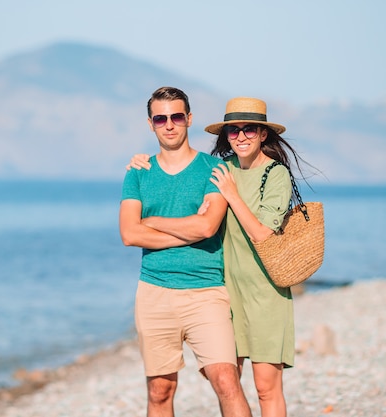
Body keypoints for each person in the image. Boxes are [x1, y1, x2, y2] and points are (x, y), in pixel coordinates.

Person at [130, 97, 311, 417]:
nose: (241, 136)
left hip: (265, 291)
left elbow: (261, 234)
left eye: (250, 129)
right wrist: (140, 161)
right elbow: (187, 200)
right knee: (232, 383)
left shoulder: (275, 173)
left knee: (266, 387)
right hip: (228, 290)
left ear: (263, 134)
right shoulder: (221, 169)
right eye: (234, 131)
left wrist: (230, 195)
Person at [119, 86, 252, 417]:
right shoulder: (138, 172)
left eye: (176, 116)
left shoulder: (215, 169)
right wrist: (189, 228)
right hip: (154, 293)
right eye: (160, 118)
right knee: (160, 390)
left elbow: (208, 228)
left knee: (226, 381)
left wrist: (153, 221)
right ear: (150, 124)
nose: (169, 124)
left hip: (206, 292)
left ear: (189, 119)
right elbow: (128, 233)